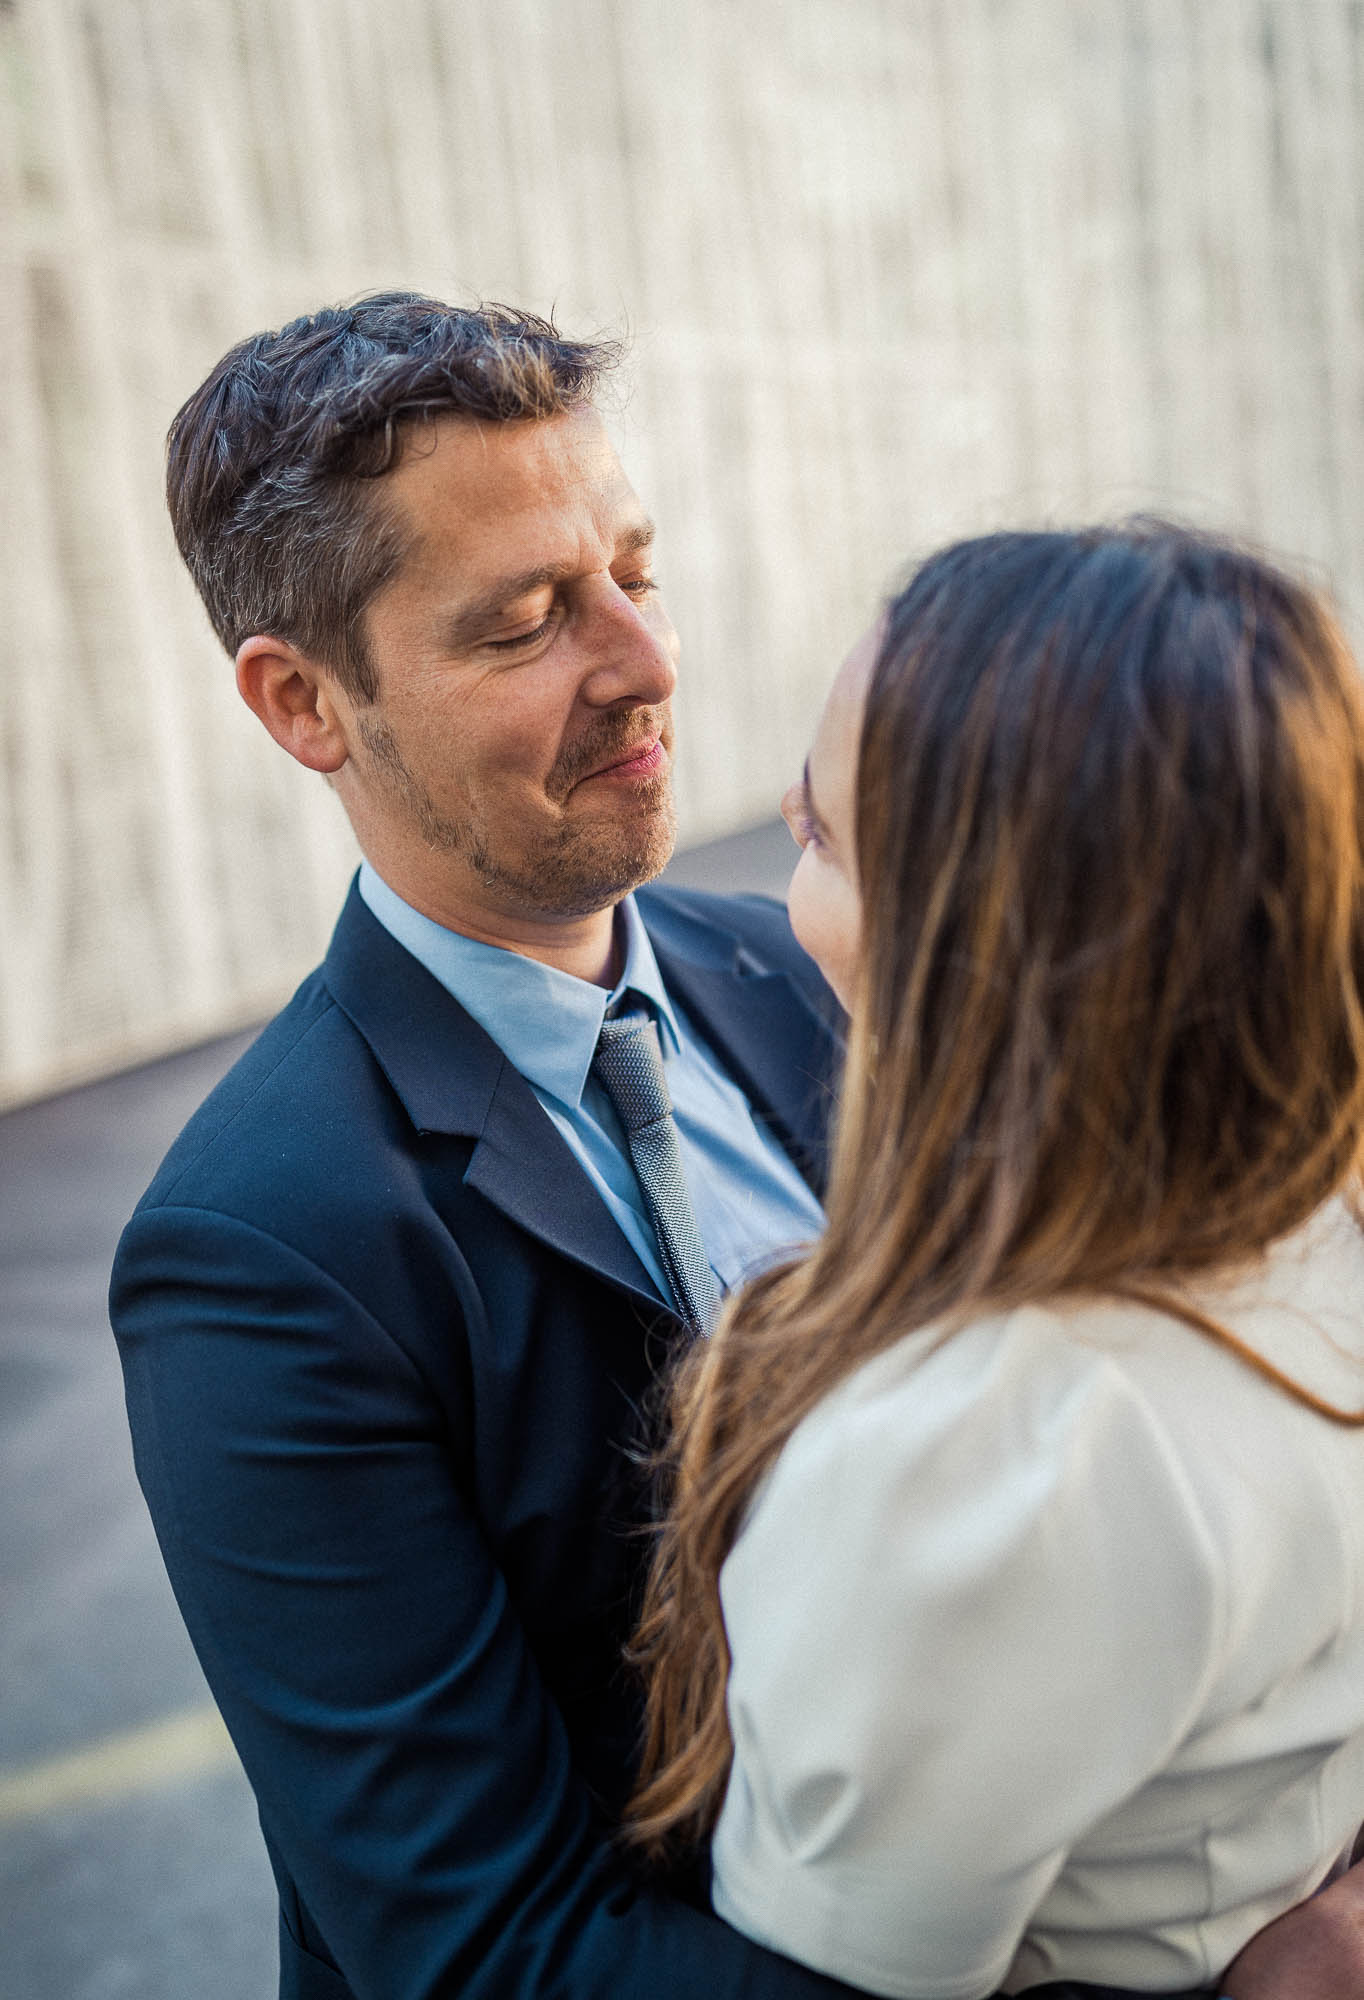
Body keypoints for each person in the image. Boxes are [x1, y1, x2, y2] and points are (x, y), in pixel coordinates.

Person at [108, 294, 1364, 2000]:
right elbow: (490, 1956)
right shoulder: (262, 1251)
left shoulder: (838, 956)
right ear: (305, 704)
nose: (643, 660)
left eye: (635, 568)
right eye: (528, 621)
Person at [628, 523, 1364, 1998]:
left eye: (819, 835)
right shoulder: (1315, 1215)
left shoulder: (992, 1453)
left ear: (975, 954)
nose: (783, 851)